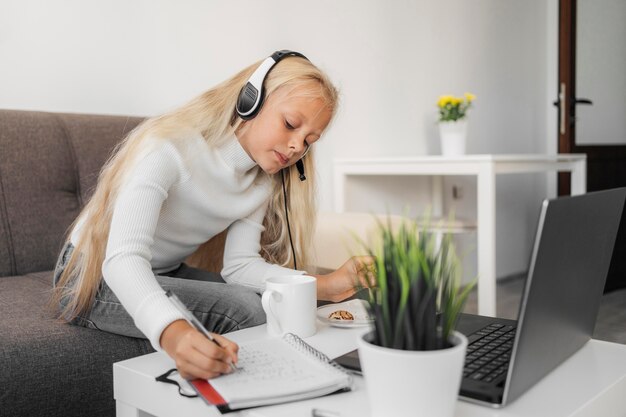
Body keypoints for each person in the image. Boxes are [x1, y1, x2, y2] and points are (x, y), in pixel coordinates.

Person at [51, 51, 372, 381]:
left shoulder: (261, 183)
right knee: (246, 310)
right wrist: (174, 332)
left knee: (267, 303)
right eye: (290, 124)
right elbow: (123, 260)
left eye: (308, 141)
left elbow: (240, 266)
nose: (295, 147)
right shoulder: (167, 147)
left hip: (164, 271)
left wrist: (327, 285)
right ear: (251, 98)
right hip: (88, 278)